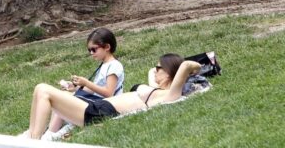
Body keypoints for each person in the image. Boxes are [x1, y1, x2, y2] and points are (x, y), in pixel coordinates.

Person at [24, 54, 201, 139]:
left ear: (170, 73)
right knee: (40, 91)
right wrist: (159, 71)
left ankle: (34, 143)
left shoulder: (168, 95)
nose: (154, 71)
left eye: (159, 68)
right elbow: (150, 73)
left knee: (43, 90)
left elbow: (186, 65)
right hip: (97, 107)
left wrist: (196, 69)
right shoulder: (157, 88)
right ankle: (33, 137)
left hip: (101, 111)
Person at [44, 28, 125, 140]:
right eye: (89, 50)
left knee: (63, 99)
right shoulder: (104, 65)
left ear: (107, 47)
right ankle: (51, 130)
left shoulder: (114, 66)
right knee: (62, 96)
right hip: (96, 103)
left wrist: (87, 83)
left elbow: (109, 93)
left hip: (105, 106)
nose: (91, 53)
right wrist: (76, 88)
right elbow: (95, 89)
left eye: (94, 49)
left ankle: (50, 134)